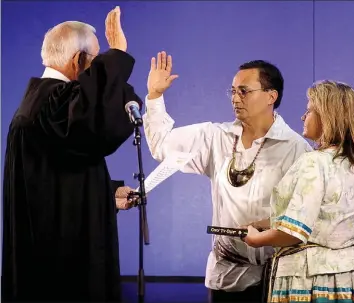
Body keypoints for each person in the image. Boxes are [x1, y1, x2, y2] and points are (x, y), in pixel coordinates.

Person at [143, 51, 312, 302]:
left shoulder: (296, 148)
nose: (235, 98)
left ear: (271, 96)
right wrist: (155, 96)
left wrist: (266, 226)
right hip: (226, 276)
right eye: (232, 91)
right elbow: (162, 146)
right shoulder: (216, 137)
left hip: (277, 278)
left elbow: (304, 216)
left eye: (244, 91)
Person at [2, 6, 142, 303]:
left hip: (48, 253)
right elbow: (98, 124)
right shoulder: (53, 103)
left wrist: (109, 193)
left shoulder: (43, 103)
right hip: (60, 270)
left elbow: (56, 181)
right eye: (96, 60)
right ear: (79, 60)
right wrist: (117, 53)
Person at [244, 80, 354, 303]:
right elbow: (332, 217)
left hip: (315, 281)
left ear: (327, 116)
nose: (303, 117)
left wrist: (256, 239)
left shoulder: (314, 162)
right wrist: (268, 222)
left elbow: (293, 233)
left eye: (309, 110)